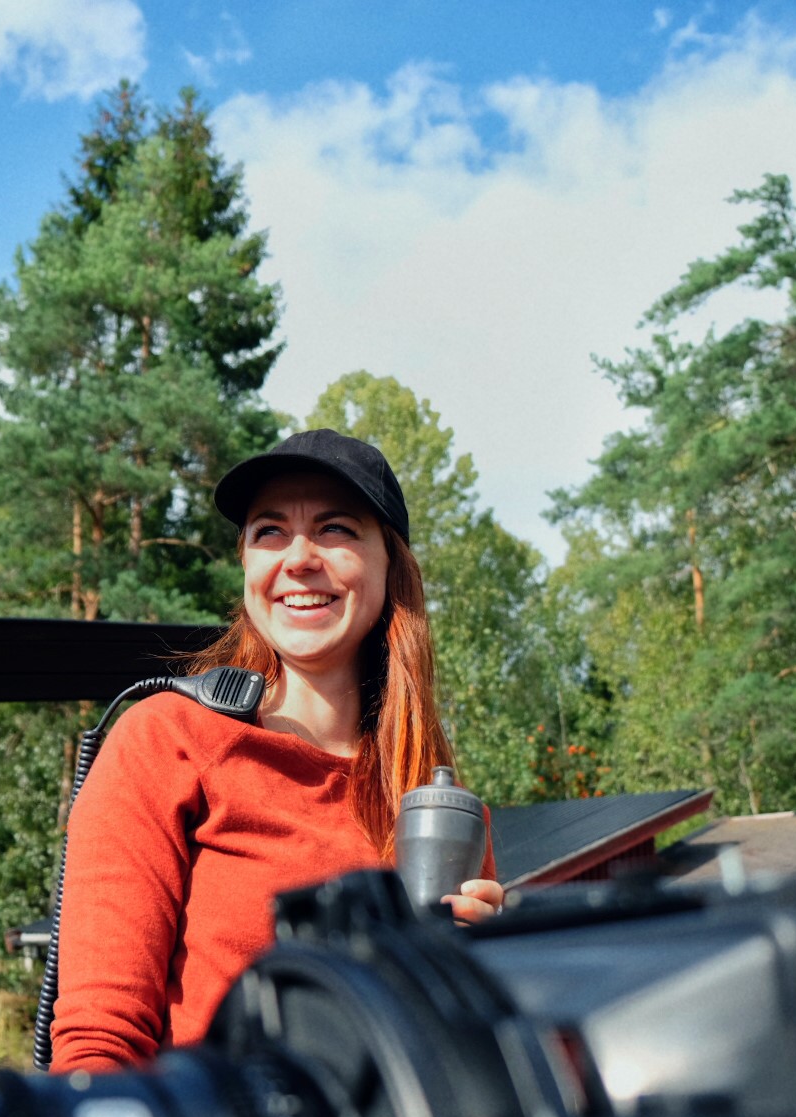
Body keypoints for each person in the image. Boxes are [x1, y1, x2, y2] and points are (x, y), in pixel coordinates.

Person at [50, 429, 503, 1073]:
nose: (298, 558)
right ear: (246, 567)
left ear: (387, 566)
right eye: (269, 531)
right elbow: (99, 1046)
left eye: (336, 529)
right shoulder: (166, 741)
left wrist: (482, 979)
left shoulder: (444, 815)